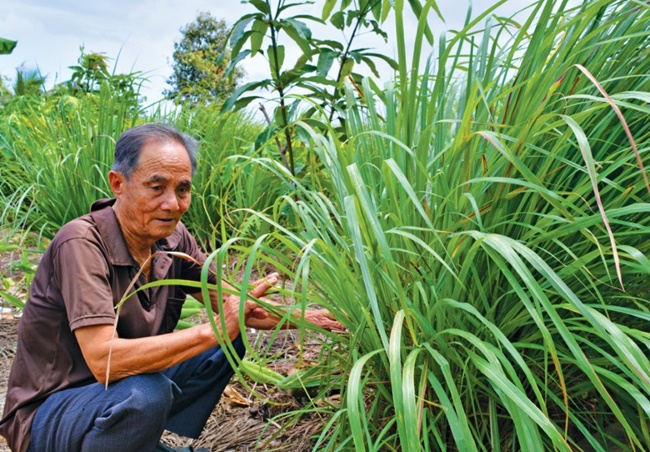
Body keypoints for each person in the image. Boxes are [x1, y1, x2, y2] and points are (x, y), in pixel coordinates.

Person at [0, 123, 342, 452]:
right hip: (47, 416)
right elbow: (105, 360)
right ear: (118, 183)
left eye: (182, 189)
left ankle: (132, 441)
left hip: (116, 393)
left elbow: (236, 305)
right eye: (156, 187)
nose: (173, 204)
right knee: (145, 393)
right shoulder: (81, 243)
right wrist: (215, 328)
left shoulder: (172, 239)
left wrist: (315, 318)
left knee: (224, 345)